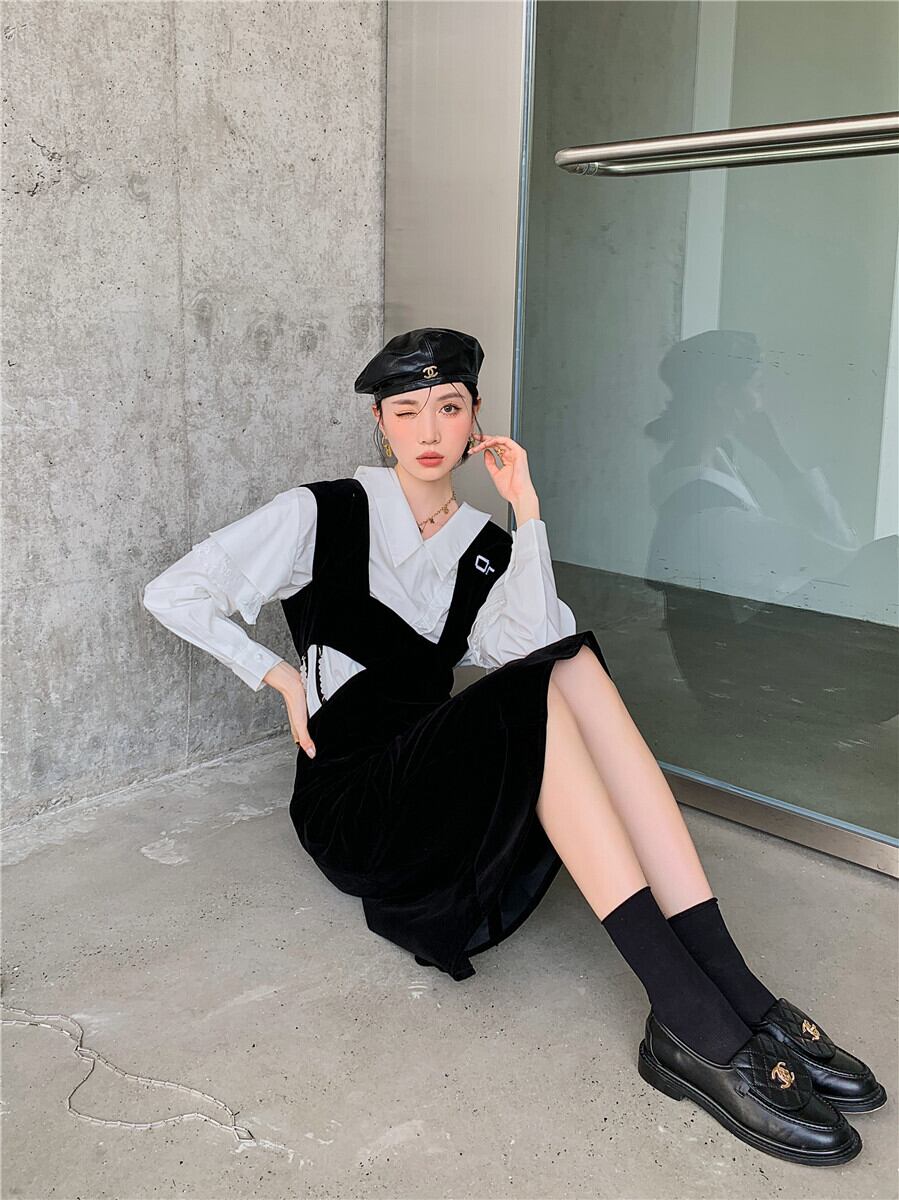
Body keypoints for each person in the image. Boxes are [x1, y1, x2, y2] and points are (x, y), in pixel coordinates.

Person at [143, 327, 885, 1167]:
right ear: (380, 424)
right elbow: (174, 591)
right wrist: (278, 675)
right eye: (405, 411)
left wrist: (525, 510)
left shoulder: (488, 548)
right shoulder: (321, 513)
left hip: (439, 786)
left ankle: (730, 988)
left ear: (475, 421)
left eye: (448, 407)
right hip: (354, 803)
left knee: (566, 663)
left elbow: (536, 644)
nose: (428, 431)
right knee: (544, 683)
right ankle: (688, 1010)